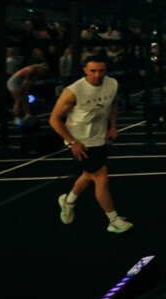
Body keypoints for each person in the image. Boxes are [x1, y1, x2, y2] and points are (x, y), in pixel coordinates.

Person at [49, 56, 129, 232]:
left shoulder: (112, 83)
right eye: (93, 71)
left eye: (101, 71)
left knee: (88, 174)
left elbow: (113, 103)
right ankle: (113, 220)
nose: (97, 75)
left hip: (99, 138)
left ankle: (68, 202)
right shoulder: (73, 91)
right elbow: (54, 119)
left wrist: (113, 126)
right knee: (101, 176)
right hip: (80, 141)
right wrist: (72, 142)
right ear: (85, 70)